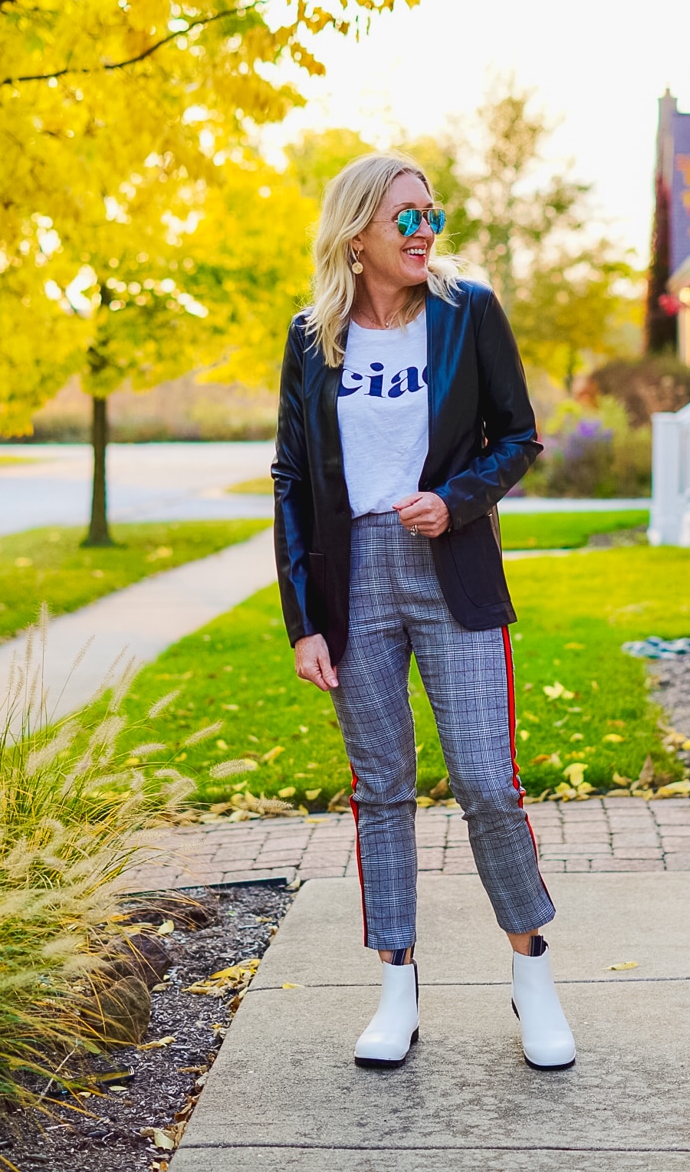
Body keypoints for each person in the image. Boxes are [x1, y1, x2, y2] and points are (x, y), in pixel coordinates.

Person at [272, 151, 575, 1073]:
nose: (423, 230)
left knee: (486, 779)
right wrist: (302, 618)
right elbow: (291, 476)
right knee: (383, 789)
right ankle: (396, 986)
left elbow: (518, 435)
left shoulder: (466, 311)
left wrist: (459, 498)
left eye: (431, 214)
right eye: (405, 217)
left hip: (452, 566)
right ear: (357, 232)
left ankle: (532, 974)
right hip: (352, 575)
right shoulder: (312, 335)